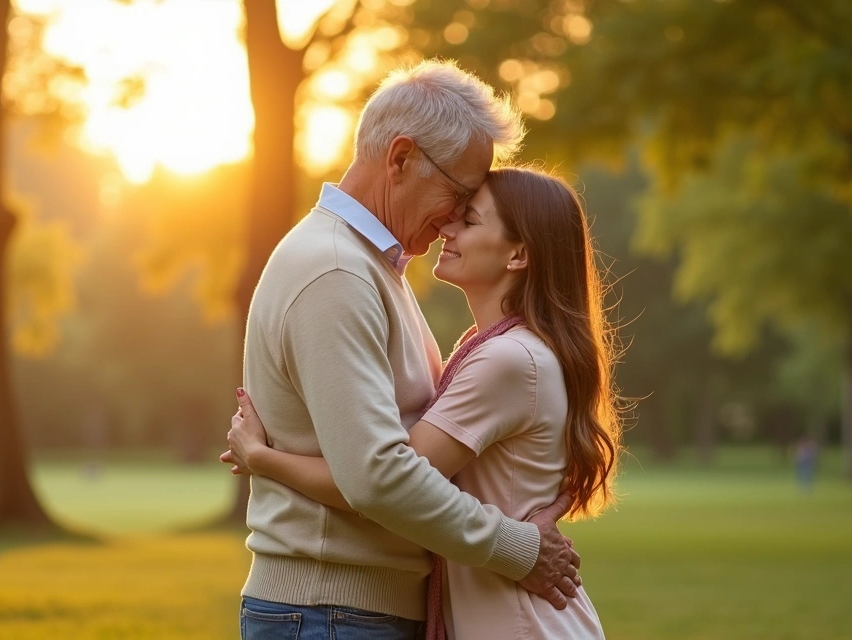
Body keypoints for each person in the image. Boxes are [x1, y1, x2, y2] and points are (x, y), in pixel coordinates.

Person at [223, 61, 583, 640]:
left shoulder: (371, 267)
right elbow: (377, 475)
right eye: (458, 195)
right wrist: (517, 548)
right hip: (330, 611)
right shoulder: (336, 271)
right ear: (401, 158)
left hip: (346, 611)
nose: (454, 221)